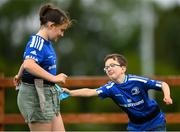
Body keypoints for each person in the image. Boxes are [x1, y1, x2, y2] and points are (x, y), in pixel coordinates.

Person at [63, 53, 173, 131]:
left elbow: (163, 84)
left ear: (123, 69)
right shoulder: (110, 88)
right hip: (136, 126)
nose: (109, 69)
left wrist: (167, 96)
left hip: (155, 120)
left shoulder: (137, 81)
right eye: (106, 68)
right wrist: (71, 92)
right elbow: (90, 91)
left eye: (112, 65)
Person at [13, 3, 71, 131]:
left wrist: (19, 75)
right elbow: (29, 63)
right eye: (61, 30)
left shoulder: (46, 42)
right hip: (35, 96)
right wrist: (54, 78)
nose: (62, 34)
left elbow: (27, 62)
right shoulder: (37, 41)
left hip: (48, 94)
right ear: (51, 25)